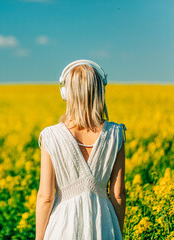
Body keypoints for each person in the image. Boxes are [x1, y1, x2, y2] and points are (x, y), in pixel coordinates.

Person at [35, 60, 127, 240]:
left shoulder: (50, 136)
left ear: (65, 92)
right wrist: (117, 232)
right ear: (101, 92)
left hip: (63, 226)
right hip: (104, 224)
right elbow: (118, 194)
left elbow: (46, 197)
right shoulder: (116, 133)